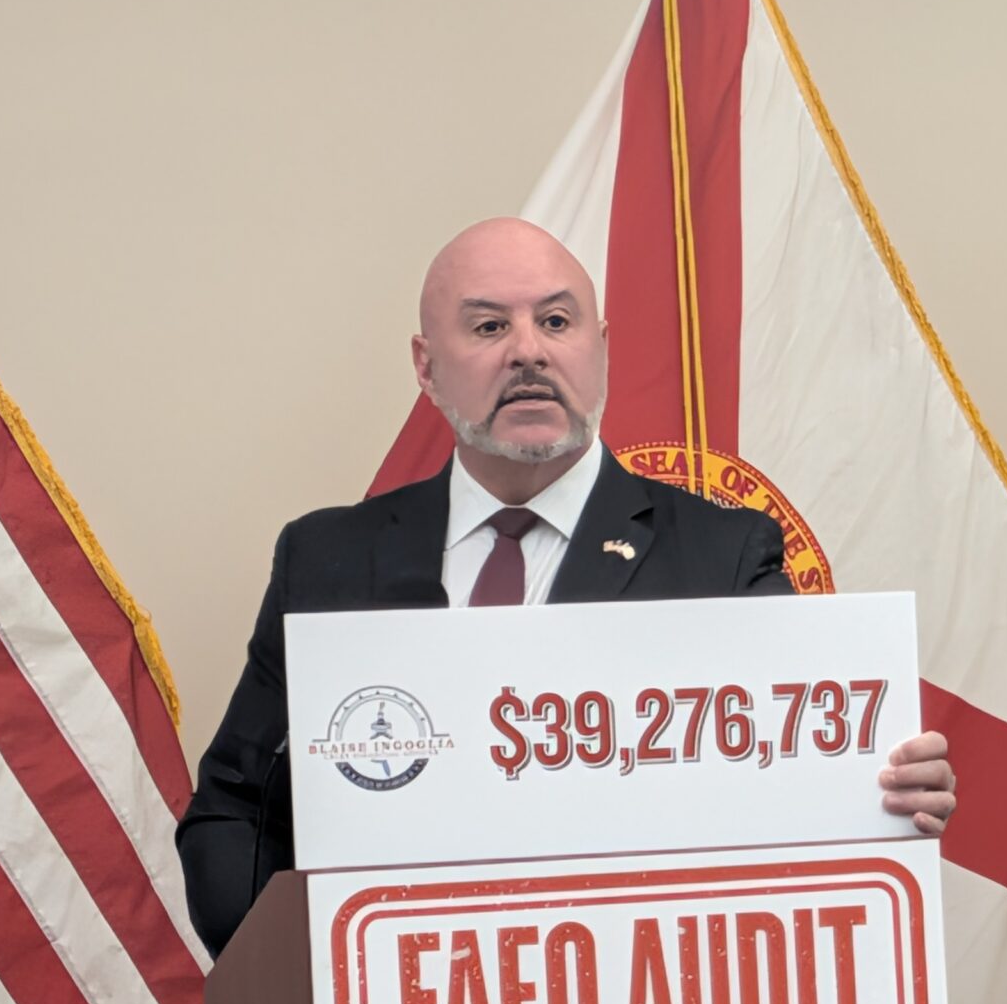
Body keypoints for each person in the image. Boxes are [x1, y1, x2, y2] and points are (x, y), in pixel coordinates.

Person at [176, 219, 957, 955]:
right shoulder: (327, 559)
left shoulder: (723, 558)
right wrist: (302, 978)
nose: (529, 353)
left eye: (556, 322)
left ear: (601, 349)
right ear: (426, 366)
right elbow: (235, 813)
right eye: (489, 327)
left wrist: (884, 791)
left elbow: (798, 795)